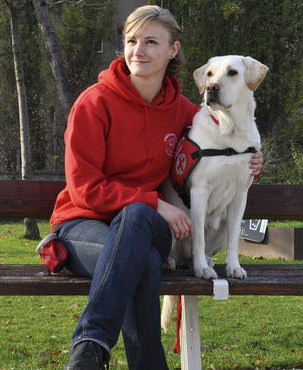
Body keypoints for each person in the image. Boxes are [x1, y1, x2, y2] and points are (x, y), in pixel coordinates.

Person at [45, 5, 263, 370]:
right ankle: (108, 353)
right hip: (83, 224)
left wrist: (251, 160)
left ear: (172, 50)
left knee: (137, 226)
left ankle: (89, 349)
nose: (138, 51)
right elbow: (83, 189)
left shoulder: (183, 112)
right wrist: (155, 204)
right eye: (131, 41)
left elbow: (215, 152)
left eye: (150, 42)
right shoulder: (93, 104)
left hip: (147, 229)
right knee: (142, 258)